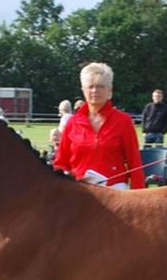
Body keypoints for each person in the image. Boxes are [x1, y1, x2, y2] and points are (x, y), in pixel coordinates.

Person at [54, 62, 144, 190]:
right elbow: (61, 163)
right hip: (79, 193)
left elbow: (134, 163)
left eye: (100, 86)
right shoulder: (72, 123)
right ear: (83, 90)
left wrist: (138, 197)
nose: (95, 91)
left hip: (115, 193)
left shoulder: (124, 121)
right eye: (90, 86)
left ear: (109, 90)